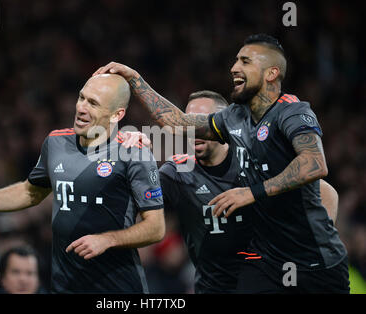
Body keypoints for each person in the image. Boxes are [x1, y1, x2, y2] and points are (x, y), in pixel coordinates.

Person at [95, 34, 349, 293]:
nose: (234, 67)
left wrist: (253, 193)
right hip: (267, 264)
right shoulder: (234, 117)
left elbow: (315, 164)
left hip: (319, 264)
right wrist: (135, 79)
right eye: (236, 60)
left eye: (245, 61)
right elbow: (179, 123)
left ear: (271, 73)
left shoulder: (292, 111)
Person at [0, 73, 165, 293]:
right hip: (65, 285)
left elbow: (156, 228)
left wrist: (108, 239)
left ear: (117, 114)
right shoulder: (56, 142)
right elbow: (30, 192)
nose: (81, 108)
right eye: (81, 97)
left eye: (93, 103)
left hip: (117, 288)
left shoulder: (134, 153)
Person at [156, 90, 341, 293]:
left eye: (199, 122)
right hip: (214, 287)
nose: (193, 130)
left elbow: (326, 192)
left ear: (219, 125)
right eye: (188, 123)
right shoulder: (176, 173)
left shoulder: (255, 160)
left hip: (270, 280)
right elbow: (136, 205)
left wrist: (316, 246)